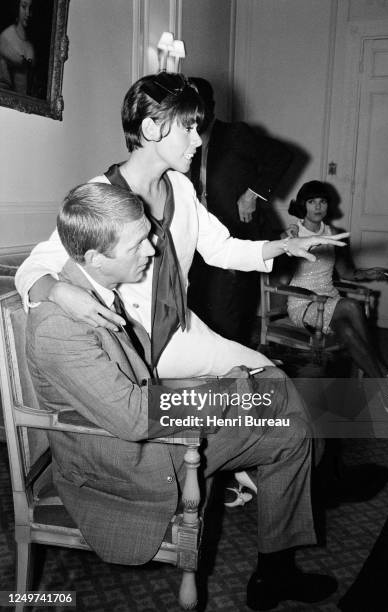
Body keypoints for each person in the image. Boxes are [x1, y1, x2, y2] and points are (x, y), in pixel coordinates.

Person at [26, 181, 338, 610]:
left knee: (291, 429)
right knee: (284, 425)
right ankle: (276, 563)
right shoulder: (61, 326)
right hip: (124, 464)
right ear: (97, 258)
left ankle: (275, 571)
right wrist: (230, 388)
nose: (152, 251)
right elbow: (135, 419)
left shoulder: (95, 287)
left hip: (141, 436)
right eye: (139, 244)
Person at [188, 76, 293, 344]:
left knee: (231, 314)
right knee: (199, 310)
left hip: (235, 235)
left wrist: (252, 194)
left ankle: (236, 374)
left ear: (209, 105)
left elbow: (282, 155)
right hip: (198, 239)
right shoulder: (185, 141)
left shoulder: (236, 134)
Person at [284, 180, 388, 413]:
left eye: (323, 201)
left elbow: (347, 272)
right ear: (302, 205)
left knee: (346, 330)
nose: (317, 207)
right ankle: (385, 375)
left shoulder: (334, 234)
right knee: (351, 306)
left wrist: (370, 272)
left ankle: (383, 388)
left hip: (330, 298)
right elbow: (280, 272)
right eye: (311, 202)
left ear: (328, 205)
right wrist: (289, 243)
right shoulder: (292, 233)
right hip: (304, 302)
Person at [0, 0, 35, 94]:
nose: (28, 13)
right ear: (17, 8)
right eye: (24, 7)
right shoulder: (6, 37)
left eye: (30, 8)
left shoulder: (30, 46)